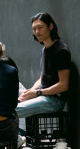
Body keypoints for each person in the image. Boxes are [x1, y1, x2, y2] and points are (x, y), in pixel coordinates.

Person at [15, 12, 71, 140]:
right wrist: (32, 91)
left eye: (40, 27)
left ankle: (21, 137)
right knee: (5, 102)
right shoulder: (45, 49)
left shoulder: (61, 50)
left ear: (50, 26)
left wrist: (37, 93)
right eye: (34, 29)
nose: (36, 32)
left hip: (54, 101)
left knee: (10, 111)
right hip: (43, 95)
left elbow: (63, 85)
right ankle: (22, 135)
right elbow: (42, 78)